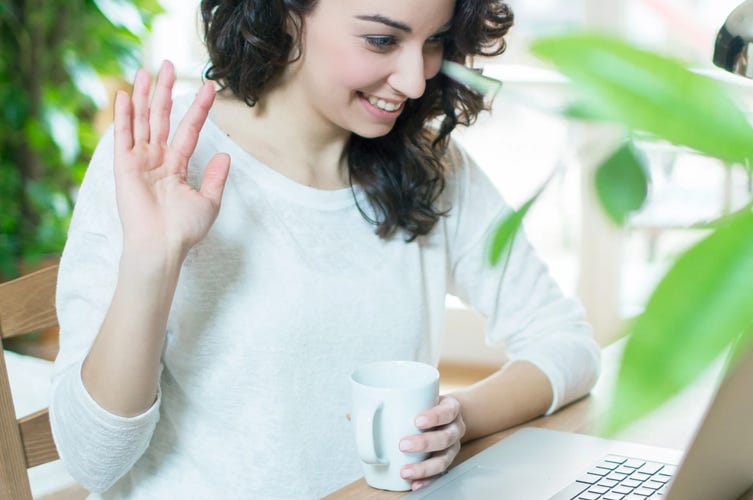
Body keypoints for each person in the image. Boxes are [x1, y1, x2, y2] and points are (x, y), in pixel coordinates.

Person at [49, 0, 601, 497]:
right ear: (286, 15)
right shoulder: (160, 162)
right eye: (382, 40)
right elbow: (93, 462)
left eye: (434, 40)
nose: (415, 81)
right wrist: (152, 263)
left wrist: (456, 419)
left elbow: (567, 343)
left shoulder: (427, 164)